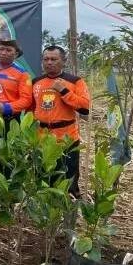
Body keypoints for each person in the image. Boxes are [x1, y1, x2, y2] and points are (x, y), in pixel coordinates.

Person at [32, 45, 90, 196]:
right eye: (46, 59)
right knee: (44, 178)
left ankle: (68, 214)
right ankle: (46, 215)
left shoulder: (75, 81)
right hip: (42, 138)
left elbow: (84, 108)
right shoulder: (36, 82)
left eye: (54, 59)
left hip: (67, 138)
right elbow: (31, 108)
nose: (49, 62)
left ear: (63, 61)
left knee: (68, 179)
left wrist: (63, 90)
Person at [0, 38, 33, 190]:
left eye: (9, 50)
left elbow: (26, 100)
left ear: (16, 54)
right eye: (1, 49)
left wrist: (6, 108)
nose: (4, 52)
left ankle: (7, 194)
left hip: (8, 121)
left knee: (7, 157)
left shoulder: (22, 74)